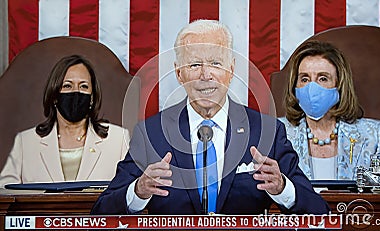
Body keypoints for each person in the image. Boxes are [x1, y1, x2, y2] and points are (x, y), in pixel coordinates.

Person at [91, 20, 329, 215]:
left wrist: (282, 188)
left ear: (232, 69)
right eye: (194, 64)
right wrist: (139, 191)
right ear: (179, 73)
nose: (205, 75)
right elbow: (101, 212)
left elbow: (320, 212)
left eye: (216, 63)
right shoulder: (151, 133)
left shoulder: (266, 130)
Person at [0, 55, 130, 187]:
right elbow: (5, 193)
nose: (76, 92)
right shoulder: (26, 142)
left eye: (84, 86)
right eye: (67, 86)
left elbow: (130, 193)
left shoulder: (118, 139)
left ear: (92, 98)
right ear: (55, 95)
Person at [279, 40, 380, 180]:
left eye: (323, 78)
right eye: (305, 79)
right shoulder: (278, 133)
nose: (312, 88)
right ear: (295, 86)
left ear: (339, 85)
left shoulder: (375, 136)